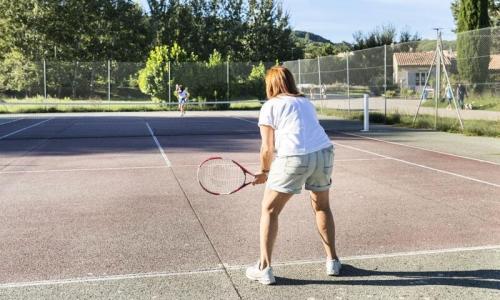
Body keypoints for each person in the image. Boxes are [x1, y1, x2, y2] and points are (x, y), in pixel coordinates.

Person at [246, 66, 340, 285]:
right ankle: (332, 262)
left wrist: (264, 172)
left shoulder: (270, 106)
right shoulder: (306, 102)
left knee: (269, 210)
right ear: (290, 81)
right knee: (322, 206)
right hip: (324, 153)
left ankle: (264, 268)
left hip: (294, 157)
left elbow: (267, 148)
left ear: (271, 84)